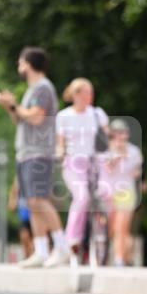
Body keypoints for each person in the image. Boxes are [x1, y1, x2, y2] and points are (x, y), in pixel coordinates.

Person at [0, 46, 69, 267]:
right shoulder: (31, 90)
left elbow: (36, 118)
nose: (19, 66)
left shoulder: (43, 89)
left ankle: (61, 246)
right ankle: (41, 250)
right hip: (26, 151)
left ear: (28, 64)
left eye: (20, 62)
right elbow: (20, 120)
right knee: (31, 203)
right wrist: (9, 107)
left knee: (39, 200)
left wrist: (14, 105)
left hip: (39, 152)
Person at [55, 78, 109, 263]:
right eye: (86, 92)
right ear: (76, 95)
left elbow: (107, 136)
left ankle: (102, 233)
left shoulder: (97, 114)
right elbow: (60, 143)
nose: (90, 96)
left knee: (106, 193)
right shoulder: (64, 116)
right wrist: (60, 154)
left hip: (93, 161)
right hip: (73, 162)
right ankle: (71, 239)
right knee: (82, 197)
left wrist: (114, 152)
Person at [98, 119, 143, 267]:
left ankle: (119, 259)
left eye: (122, 133)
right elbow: (108, 169)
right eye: (116, 133)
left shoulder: (134, 151)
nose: (119, 136)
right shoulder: (105, 152)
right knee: (110, 228)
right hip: (108, 191)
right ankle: (105, 250)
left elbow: (137, 172)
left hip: (125, 190)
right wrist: (117, 157)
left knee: (122, 226)